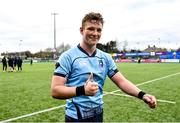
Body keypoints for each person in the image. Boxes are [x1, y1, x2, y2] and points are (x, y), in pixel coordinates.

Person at [51, 12, 157, 122]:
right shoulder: (68, 57)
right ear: (81, 30)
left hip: (98, 115)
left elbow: (122, 82)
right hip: (76, 118)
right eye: (91, 29)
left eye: (99, 30)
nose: (95, 33)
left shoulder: (106, 58)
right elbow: (55, 90)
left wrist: (143, 95)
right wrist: (82, 90)